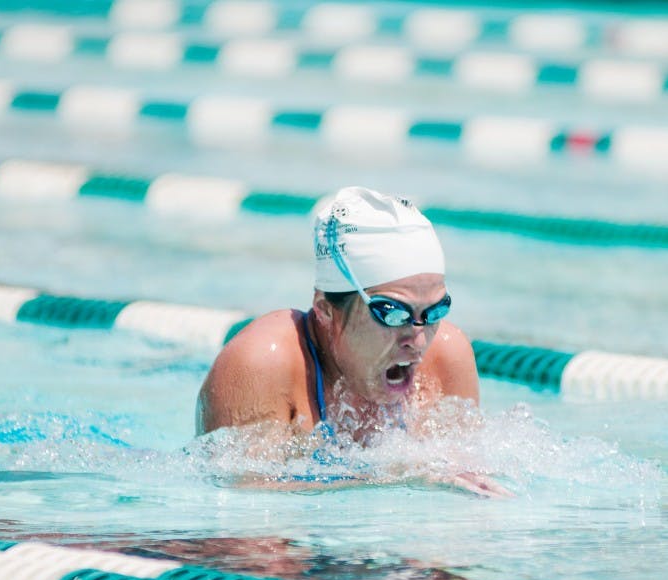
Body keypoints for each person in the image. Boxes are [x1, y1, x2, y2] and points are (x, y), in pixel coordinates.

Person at [196, 186, 509, 497]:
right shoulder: (263, 363)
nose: (417, 339)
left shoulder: (446, 357)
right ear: (326, 311)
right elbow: (242, 511)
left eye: (435, 311)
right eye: (392, 313)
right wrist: (399, 479)